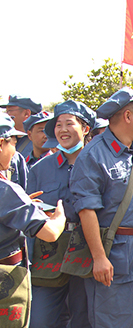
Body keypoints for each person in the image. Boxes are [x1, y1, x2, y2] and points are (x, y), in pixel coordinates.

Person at [69, 88, 133, 328]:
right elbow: (87, 211)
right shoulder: (93, 156)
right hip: (116, 259)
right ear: (128, 116)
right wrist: (98, 258)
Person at [27, 100, 96, 328]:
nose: (63, 130)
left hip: (87, 249)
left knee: (83, 317)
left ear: (85, 129)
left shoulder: (98, 165)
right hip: (49, 252)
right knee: (41, 319)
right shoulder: (39, 169)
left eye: (69, 123)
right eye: (58, 125)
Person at [0, 113, 67, 325]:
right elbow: (50, 233)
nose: (15, 150)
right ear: (1, 143)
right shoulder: (5, 189)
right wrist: (59, 217)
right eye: (14, 142)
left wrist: (21, 204)